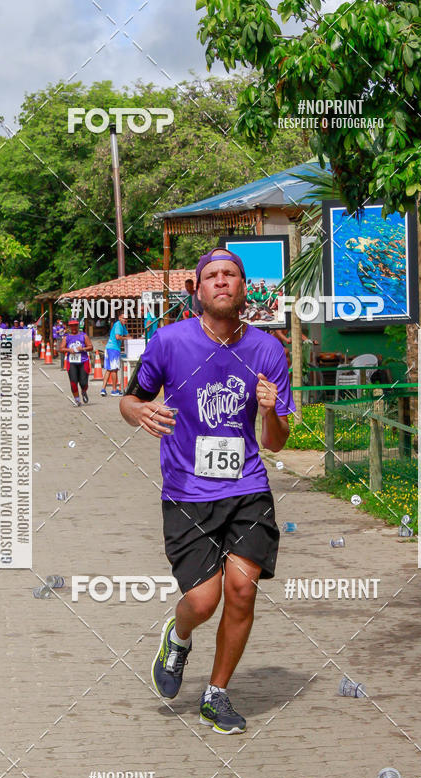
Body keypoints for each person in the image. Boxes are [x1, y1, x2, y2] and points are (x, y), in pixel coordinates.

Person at [120, 248, 294, 734]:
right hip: (187, 491)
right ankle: (178, 638)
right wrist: (138, 413)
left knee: (241, 592)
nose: (221, 281)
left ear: (244, 289)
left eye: (231, 275)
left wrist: (270, 410)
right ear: (197, 290)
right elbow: (130, 398)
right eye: (211, 276)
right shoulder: (168, 342)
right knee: (203, 601)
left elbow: (275, 442)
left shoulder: (268, 350)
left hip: (247, 488)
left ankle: (216, 693)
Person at [59, 318, 94, 406]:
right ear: (69, 327)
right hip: (72, 362)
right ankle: (77, 400)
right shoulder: (66, 337)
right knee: (73, 382)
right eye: (71, 325)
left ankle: (84, 391)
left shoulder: (83, 336)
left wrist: (83, 348)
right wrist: (68, 350)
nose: (73, 327)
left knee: (83, 383)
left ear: (78, 326)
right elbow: (61, 349)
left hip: (83, 361)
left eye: (75, 325)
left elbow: (90, 347)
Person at [100, 312, 128, 397]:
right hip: (114, 349)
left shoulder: (122, 326)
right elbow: (118, 337)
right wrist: (127, 338)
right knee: (114, 369)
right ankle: (114, 390)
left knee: (109, 369)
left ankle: (103, 389)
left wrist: (131, 337)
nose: (125, 320)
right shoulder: (118, 325)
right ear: (119, 318)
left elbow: (127, 334)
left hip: (109, 347)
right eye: (123, 318)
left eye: (126, 319)